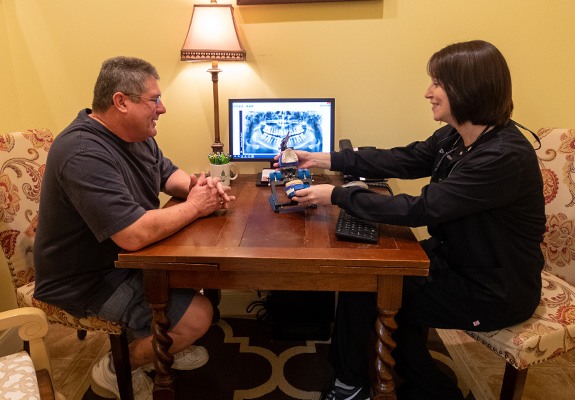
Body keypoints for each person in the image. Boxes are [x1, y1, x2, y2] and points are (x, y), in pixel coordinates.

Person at [280, 40, 545, 400]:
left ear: (467, 88)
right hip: (456, 261)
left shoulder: (502, 157)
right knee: (376, 287)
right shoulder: (459, 134)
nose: (428, 92)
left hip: (492, 288)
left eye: (437, 83)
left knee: (366, 287)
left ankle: (349, 385)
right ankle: (421, 386)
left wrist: (337, 195)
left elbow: (419, 209)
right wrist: (325, 159)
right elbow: (402, 159)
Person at [34, 56, 235, 399]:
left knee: (197, 275)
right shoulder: (82, 152)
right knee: (199, 316)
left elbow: (167, 174)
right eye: (154, 100)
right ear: (121, 101)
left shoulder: (137, 133)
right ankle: (116, 366)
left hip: (124, 260)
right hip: (87, 279)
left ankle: (156, 340)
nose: (163, 108)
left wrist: (200, 188)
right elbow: (132, 235)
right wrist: (195, 207)